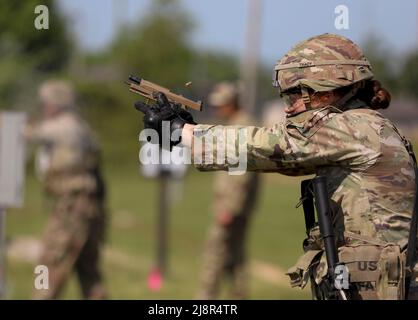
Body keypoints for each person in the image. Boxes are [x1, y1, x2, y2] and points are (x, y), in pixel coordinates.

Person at [134, 34, 418, 300]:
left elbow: (274, 145)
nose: (288, 107)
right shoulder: (361, 125)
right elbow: (280, 158)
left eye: (294, 95)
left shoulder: (352, 126)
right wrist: (192, 132)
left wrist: (182, 132)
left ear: (326, 90)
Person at [27, 80, 107, 299]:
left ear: (56, 104)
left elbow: (28, 133)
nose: (44, 107)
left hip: (71, 207)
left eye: (46, 103)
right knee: (88, 270)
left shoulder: (63, 125)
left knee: (48, 262)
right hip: (89, 208)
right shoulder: (81, 126)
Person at [197, 82, 260, 299]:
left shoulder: (240, 128)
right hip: (237, 205)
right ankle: (238, 295)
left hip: (231, 206)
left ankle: (207, 297)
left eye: (221, 105)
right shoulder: (238, 124)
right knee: (236, 253)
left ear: (232, 103)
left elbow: (241, 175)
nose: (217, 109)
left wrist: (229, 208)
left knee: (216, 252)